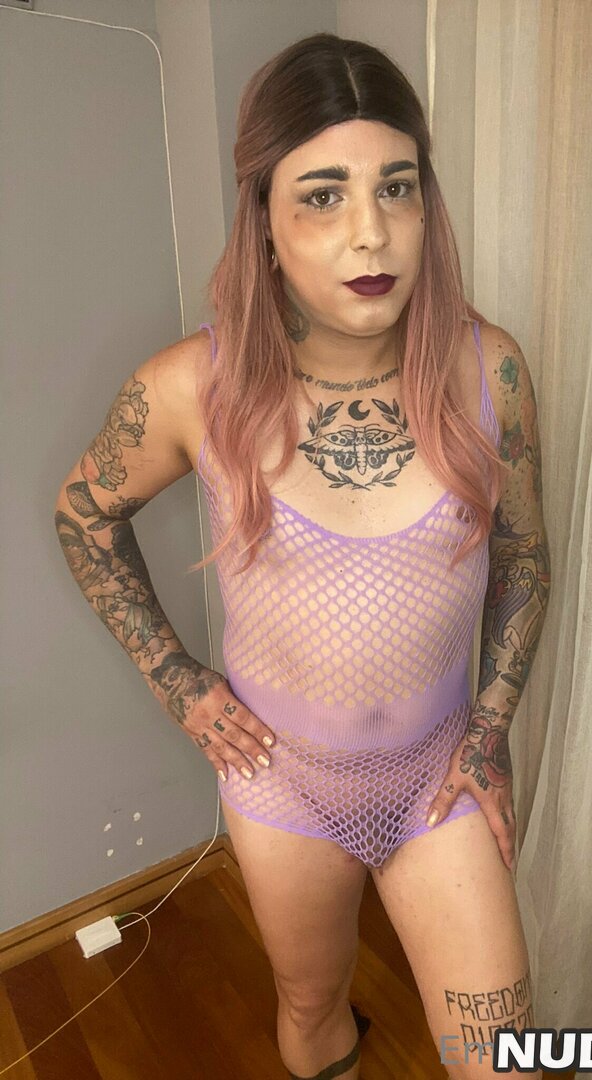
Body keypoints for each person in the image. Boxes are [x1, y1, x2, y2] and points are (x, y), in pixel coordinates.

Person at [54, 32, 550, 1080]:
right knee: (312, 1006)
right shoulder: (190, 389)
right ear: (265, 221)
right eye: (323, 196)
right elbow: (83, 517)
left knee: (506, 1059)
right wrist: (179, 681)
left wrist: (493, 727)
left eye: (396, 188)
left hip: (438, 775)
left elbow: (522, 557)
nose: (371, 232)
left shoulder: (490, 372)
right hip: (283, 787)